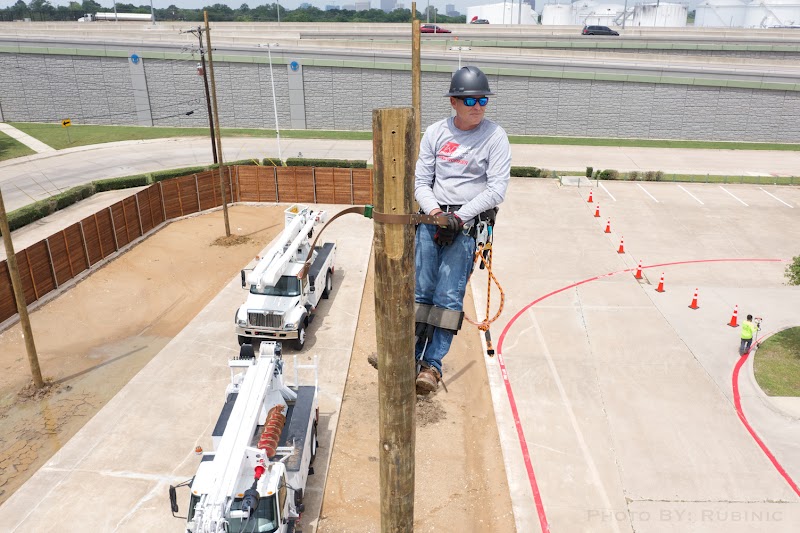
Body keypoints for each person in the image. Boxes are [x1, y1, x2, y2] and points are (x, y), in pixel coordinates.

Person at [412, 65, 512, 394]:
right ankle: (409, 356)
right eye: (470, 101)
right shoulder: (435, 133)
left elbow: (496, 189)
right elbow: (421, 183)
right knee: (421, 292)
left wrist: (459, 218)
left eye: (483, 99)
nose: (479, 106)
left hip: (466, 226)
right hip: (433, 220)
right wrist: (437, 213)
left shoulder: (494, 137)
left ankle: (432, 365)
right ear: (454, 102)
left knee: (448, 295)